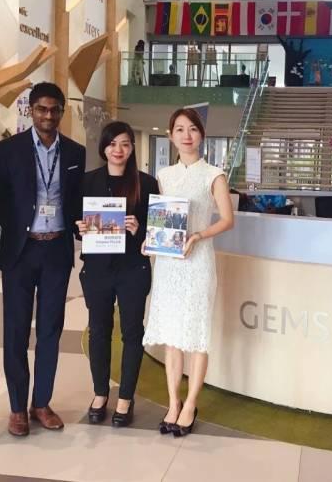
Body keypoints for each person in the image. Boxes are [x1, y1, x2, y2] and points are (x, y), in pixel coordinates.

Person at [0, 82, 86, 437]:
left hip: (57, 251)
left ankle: (42, 403)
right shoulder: (7, 150)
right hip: (21, 250)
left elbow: (77, 201)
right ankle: (17, 407)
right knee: (15, 330)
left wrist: (90, 227)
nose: (48, 115)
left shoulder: (75, 152)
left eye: (54, 109)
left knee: (50, 330)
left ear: (62, 111)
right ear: (30, 110)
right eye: (42, 109)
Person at [142, 108, 234, 437]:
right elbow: (162, 219)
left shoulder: (214, 175)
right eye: (179, 129)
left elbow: (227, 219)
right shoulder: (163, 176)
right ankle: (173, 402)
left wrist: (198, 235)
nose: (186, 135)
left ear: (201, 135)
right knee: (172, 337)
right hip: (169, 265)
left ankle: (191, 403)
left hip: (198, 262)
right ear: (170, 135)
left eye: (192, 129)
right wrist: (151, 240)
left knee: (195, 337)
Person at [75, 121, 160, 427]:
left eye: (125, 143)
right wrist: (80, 228)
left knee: (132, 332)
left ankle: (125, 397)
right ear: (104, 148)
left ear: (132, 148)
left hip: (132, 269)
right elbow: (77, 224)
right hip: (97, 268)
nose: (118, 150)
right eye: (112, 144)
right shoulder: (88, 181)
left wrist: (140, 230)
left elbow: (157, 232)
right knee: (98, 330)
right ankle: (100, 393)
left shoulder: (146, 183)